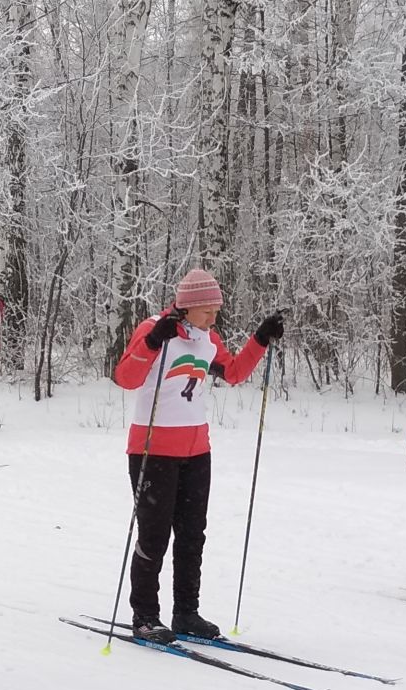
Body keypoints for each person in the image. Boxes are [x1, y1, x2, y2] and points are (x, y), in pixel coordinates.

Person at [110, 269, 283, 643]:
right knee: (154, 536)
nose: (213, 318)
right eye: (208, 311)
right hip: (153, 449)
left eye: (216, 311)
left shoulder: (207, 339)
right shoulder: (155, 328)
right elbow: (125, 377)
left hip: (196, 451)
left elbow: (234, 373)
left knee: (192, 536)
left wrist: (260, 340)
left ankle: (186, 611)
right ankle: (145, 615)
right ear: (187, 307)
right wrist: (154, 342)